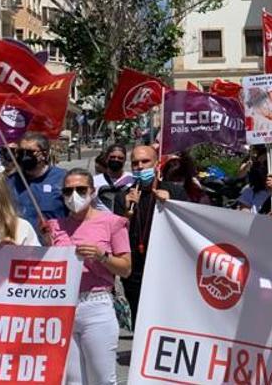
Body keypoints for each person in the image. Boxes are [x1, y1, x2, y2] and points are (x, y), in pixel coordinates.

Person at [43, 169, 132, 385]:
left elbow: (126, 269)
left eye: (81, 189)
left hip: (96, 305)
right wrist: (46, 245)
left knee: (102, 379)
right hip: (63, 307)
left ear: (92, 192)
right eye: (68, 191)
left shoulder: (113, 223)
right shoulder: (54, 227)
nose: (74, 195)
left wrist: (102, 256)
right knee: (73, 380)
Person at [116, 145, 174, 318]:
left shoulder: (173, 191)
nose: (140, 166)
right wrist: (126, 212)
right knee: (139, 317)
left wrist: (171, 204)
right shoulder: (123, 196)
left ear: (156, 164)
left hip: (165, 267)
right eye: (135, 163)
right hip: (135, 269)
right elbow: (116, 233)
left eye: (145, 161)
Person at [7, 132, 68, 228]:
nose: (24, 156)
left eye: (30, 152)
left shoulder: (63, 179)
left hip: (52, 241)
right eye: (21, 152)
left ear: (44, 154)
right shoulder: (10, 181)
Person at [93, 144, 132, 212]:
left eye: (120, 158)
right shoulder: (94, 181)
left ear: (125, 160)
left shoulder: (132, 179)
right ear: (106, 158)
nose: (116, 160)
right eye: (112, 157)